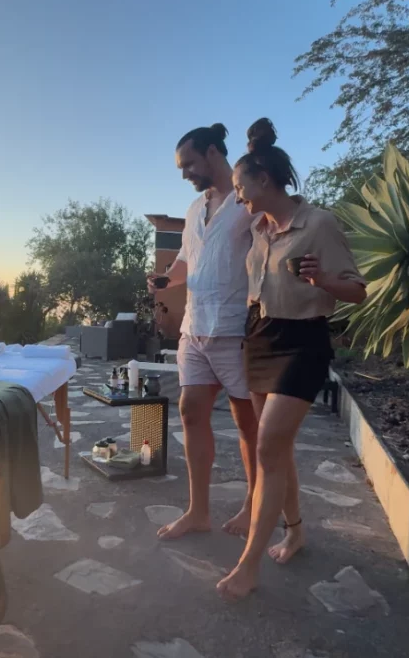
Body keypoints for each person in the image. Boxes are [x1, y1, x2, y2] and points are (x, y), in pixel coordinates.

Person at [216, 118, 367, 601]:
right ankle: (295, 530)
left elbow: (358, 292)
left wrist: (323, 280)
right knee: (274, 449)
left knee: (266, 448)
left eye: (241, 188)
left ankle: (249, 565)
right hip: (260, 337)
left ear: (264, 181)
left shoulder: (319, 223)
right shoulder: (259, 227)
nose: (238, 198)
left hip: (303, 341)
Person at [147, 123, 260, 539]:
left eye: (189, 164)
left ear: (213, 153)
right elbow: (185, 262)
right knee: (191, 412)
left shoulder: (250, 201)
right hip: (194, 331)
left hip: (236, 332)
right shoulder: (195, 211)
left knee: (248, 425)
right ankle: (198, 511)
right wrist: (164, 280)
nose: (185, 174)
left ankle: (253, 505)